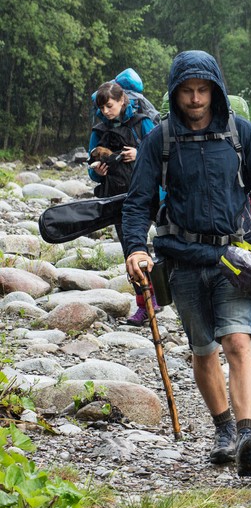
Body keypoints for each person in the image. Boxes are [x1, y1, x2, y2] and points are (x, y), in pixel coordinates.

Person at [122, 50, 251, 478]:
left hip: (235, 258)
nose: (195, 99)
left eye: (203, 90)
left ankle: (249, 434)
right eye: (187, 91)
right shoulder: (158, 140)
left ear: (216, 91)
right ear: (174, 93)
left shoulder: (240, 133)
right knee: (203, 350)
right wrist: (135, 249)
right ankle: (224, 429)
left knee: (238, 342)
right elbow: (137, 202)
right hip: (182, 259)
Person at [88, 81, 158, 326]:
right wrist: (99, 172)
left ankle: (169, 295)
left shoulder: (142, 123)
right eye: (102, 107)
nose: (106, 111)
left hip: (149, 194)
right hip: (118, 197)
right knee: (131, 249)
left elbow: (162, 153)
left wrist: (139, 155)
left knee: (168, 244)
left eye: (110, 105)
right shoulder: (99, 130)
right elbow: (91, 171)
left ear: (122, 101)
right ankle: (146, 304)